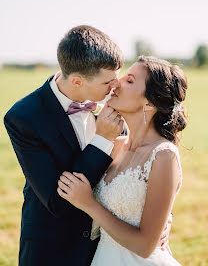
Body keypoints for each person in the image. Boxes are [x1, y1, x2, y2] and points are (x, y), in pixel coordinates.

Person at [4, 25, 124, 266]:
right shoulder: (24, 117)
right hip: (54, 250)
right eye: (107, 82)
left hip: (109, 247)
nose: (116, 87)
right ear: (78, 81)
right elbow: (57, 200)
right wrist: (102, 140)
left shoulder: (116, 102)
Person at [57, 55, 187, 265]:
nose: (116, 83)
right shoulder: (114, 146)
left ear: (150, 102)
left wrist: (89, 204)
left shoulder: (164, 155)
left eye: (130, 81)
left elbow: (145, 246)